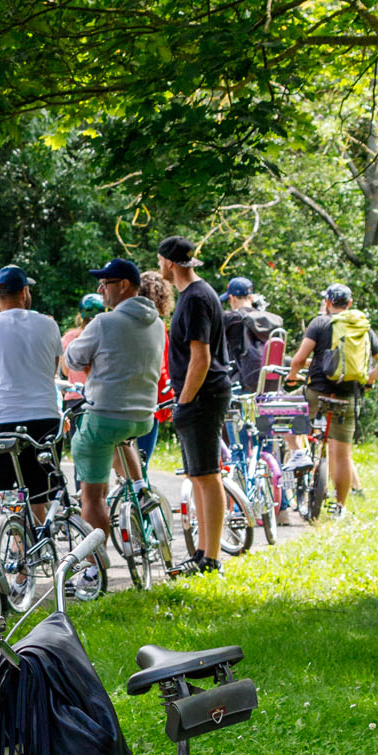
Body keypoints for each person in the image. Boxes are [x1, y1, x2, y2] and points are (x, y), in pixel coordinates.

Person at [63, 258, 164, 541]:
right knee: (123, 440)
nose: (101, 289)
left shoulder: (104, 322)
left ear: (123, 285)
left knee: (92, 497)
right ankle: (140, 488)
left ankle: (94, 569)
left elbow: (72, 357)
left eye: (105, 283)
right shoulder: (157, 324)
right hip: (143, 417)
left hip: (105, 415)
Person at [0, 263, 62, 536]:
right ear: (24, 292)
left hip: (4, 421)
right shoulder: (49, 325)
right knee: (38, 497)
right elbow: (51, 372)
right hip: (46, 420)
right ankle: (30, 564)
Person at [158, 234, 231, 575]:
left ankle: (211, 557)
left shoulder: (196, 298)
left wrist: (184, 400)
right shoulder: (193, 295)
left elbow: (200, 358)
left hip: (203, 394)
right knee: (197, 474)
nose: (159, 267)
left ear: (170, 263)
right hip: (198, 394)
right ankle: (202, 551)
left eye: (160, 261)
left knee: (208, 474)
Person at [286, 283, 378, 515]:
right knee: (343, 454)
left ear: (327, 303)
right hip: (348, 397)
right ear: (350, 304)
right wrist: (369, 380)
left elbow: (298, 359)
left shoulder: (320, 323)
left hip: (317, 392)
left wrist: (292, 378)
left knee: (282, 409)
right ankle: (340, 508)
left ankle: (299, 453)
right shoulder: (363, 328)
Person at [136, 269, 175, 469]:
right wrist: (167, 401)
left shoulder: (124, 321)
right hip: (147, 403)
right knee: (140, 467)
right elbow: (161, 369)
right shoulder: (157, 326)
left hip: (120, 403)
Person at [222, 275, 283, 393]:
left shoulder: (230, 318)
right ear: (250, 298)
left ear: (232, 298)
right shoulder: (267, 320)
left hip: (240, 384)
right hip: (269, 384)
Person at [60, 294, 104, 387]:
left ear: (81, 314)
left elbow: (66, 371)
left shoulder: (69, 337)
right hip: (99, 394)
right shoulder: (107, 335)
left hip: (76, 395)